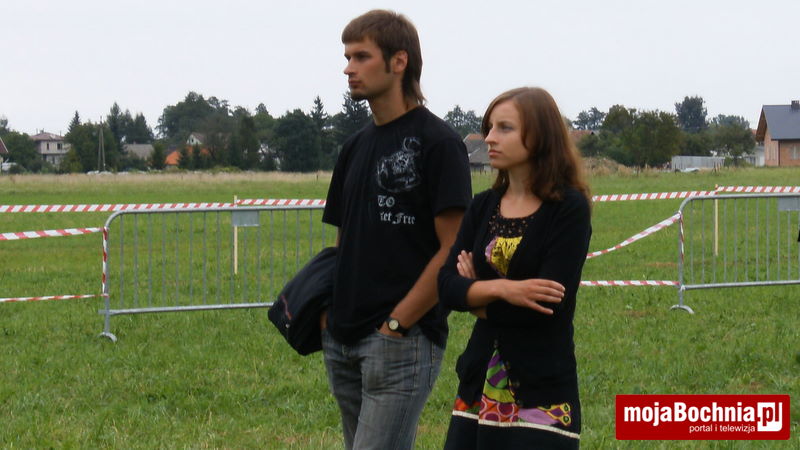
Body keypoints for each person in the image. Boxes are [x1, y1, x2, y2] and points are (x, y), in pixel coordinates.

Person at [320, 9, 472, 449]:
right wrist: (331, 317)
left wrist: (397, 323)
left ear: (399, 61)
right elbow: (344, 240)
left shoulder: (438, 143)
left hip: (403, 340)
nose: (349, 68)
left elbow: (451, 247)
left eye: (361, 56)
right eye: (347, 57)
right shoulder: (354, 146)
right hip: (344, 338)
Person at [437, 87, 592, 449]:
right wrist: (505, 289)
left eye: (504, 128)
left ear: (539, 136)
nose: (490, 138)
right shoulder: (482, 206)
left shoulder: (568, 208)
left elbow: (545, 307)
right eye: (489, 128)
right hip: (477, 386)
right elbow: (445, 286)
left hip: (541, 391)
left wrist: (474, 297)